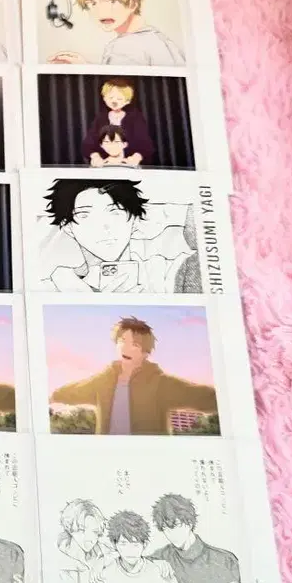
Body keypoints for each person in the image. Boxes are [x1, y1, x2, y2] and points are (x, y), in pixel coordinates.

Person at [50, 316, 218, 435]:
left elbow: (199, 395)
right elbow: (77, 390)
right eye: (122, 341)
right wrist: (53, 396)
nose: (126, 348)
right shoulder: (104, 379)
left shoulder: (159, 383)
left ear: (146, 352)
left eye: (135, 345)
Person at [40, 178, 201, 293]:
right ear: (67, 227)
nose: (104, 226)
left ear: (135, 220)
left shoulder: (166, 271)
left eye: (115, 212)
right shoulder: (53, 286)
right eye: (85, 215)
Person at [48, 0, 186, 66]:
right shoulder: (160, 39)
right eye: (92, 3)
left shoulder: (123, 47)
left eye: (111, 1)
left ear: (132, 4)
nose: (101, 11)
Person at [148, 494, 241, 583]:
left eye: (175, 525)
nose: (171, 534)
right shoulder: (161, 556)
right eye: (165, 528)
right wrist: (153, 564)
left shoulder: (225, 560)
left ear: (189, 523)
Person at [97, 511, 178, 583]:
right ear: (114, 544)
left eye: (135, 544)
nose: (129, 550)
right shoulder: (105, 575)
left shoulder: (160, 573)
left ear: (145, 544)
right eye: (123, 544)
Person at [81, 79, 154, 167]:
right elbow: (89, 143)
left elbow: (145, 143)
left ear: (127, 101)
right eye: (110, 98)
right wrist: (95, 157)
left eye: (119, 98)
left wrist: (136, 158)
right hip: (104, 165)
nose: (114, 101)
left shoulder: (135, 118)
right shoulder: (100, 119)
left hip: (128, 165)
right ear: (104, 98)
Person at [57, 499, 115, 583]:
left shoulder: (99, 550)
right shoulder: (60, 558)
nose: (90, 539)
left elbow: (119, 553)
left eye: (95, 532)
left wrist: (101, 561)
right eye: (82, 530)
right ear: (70, 529)